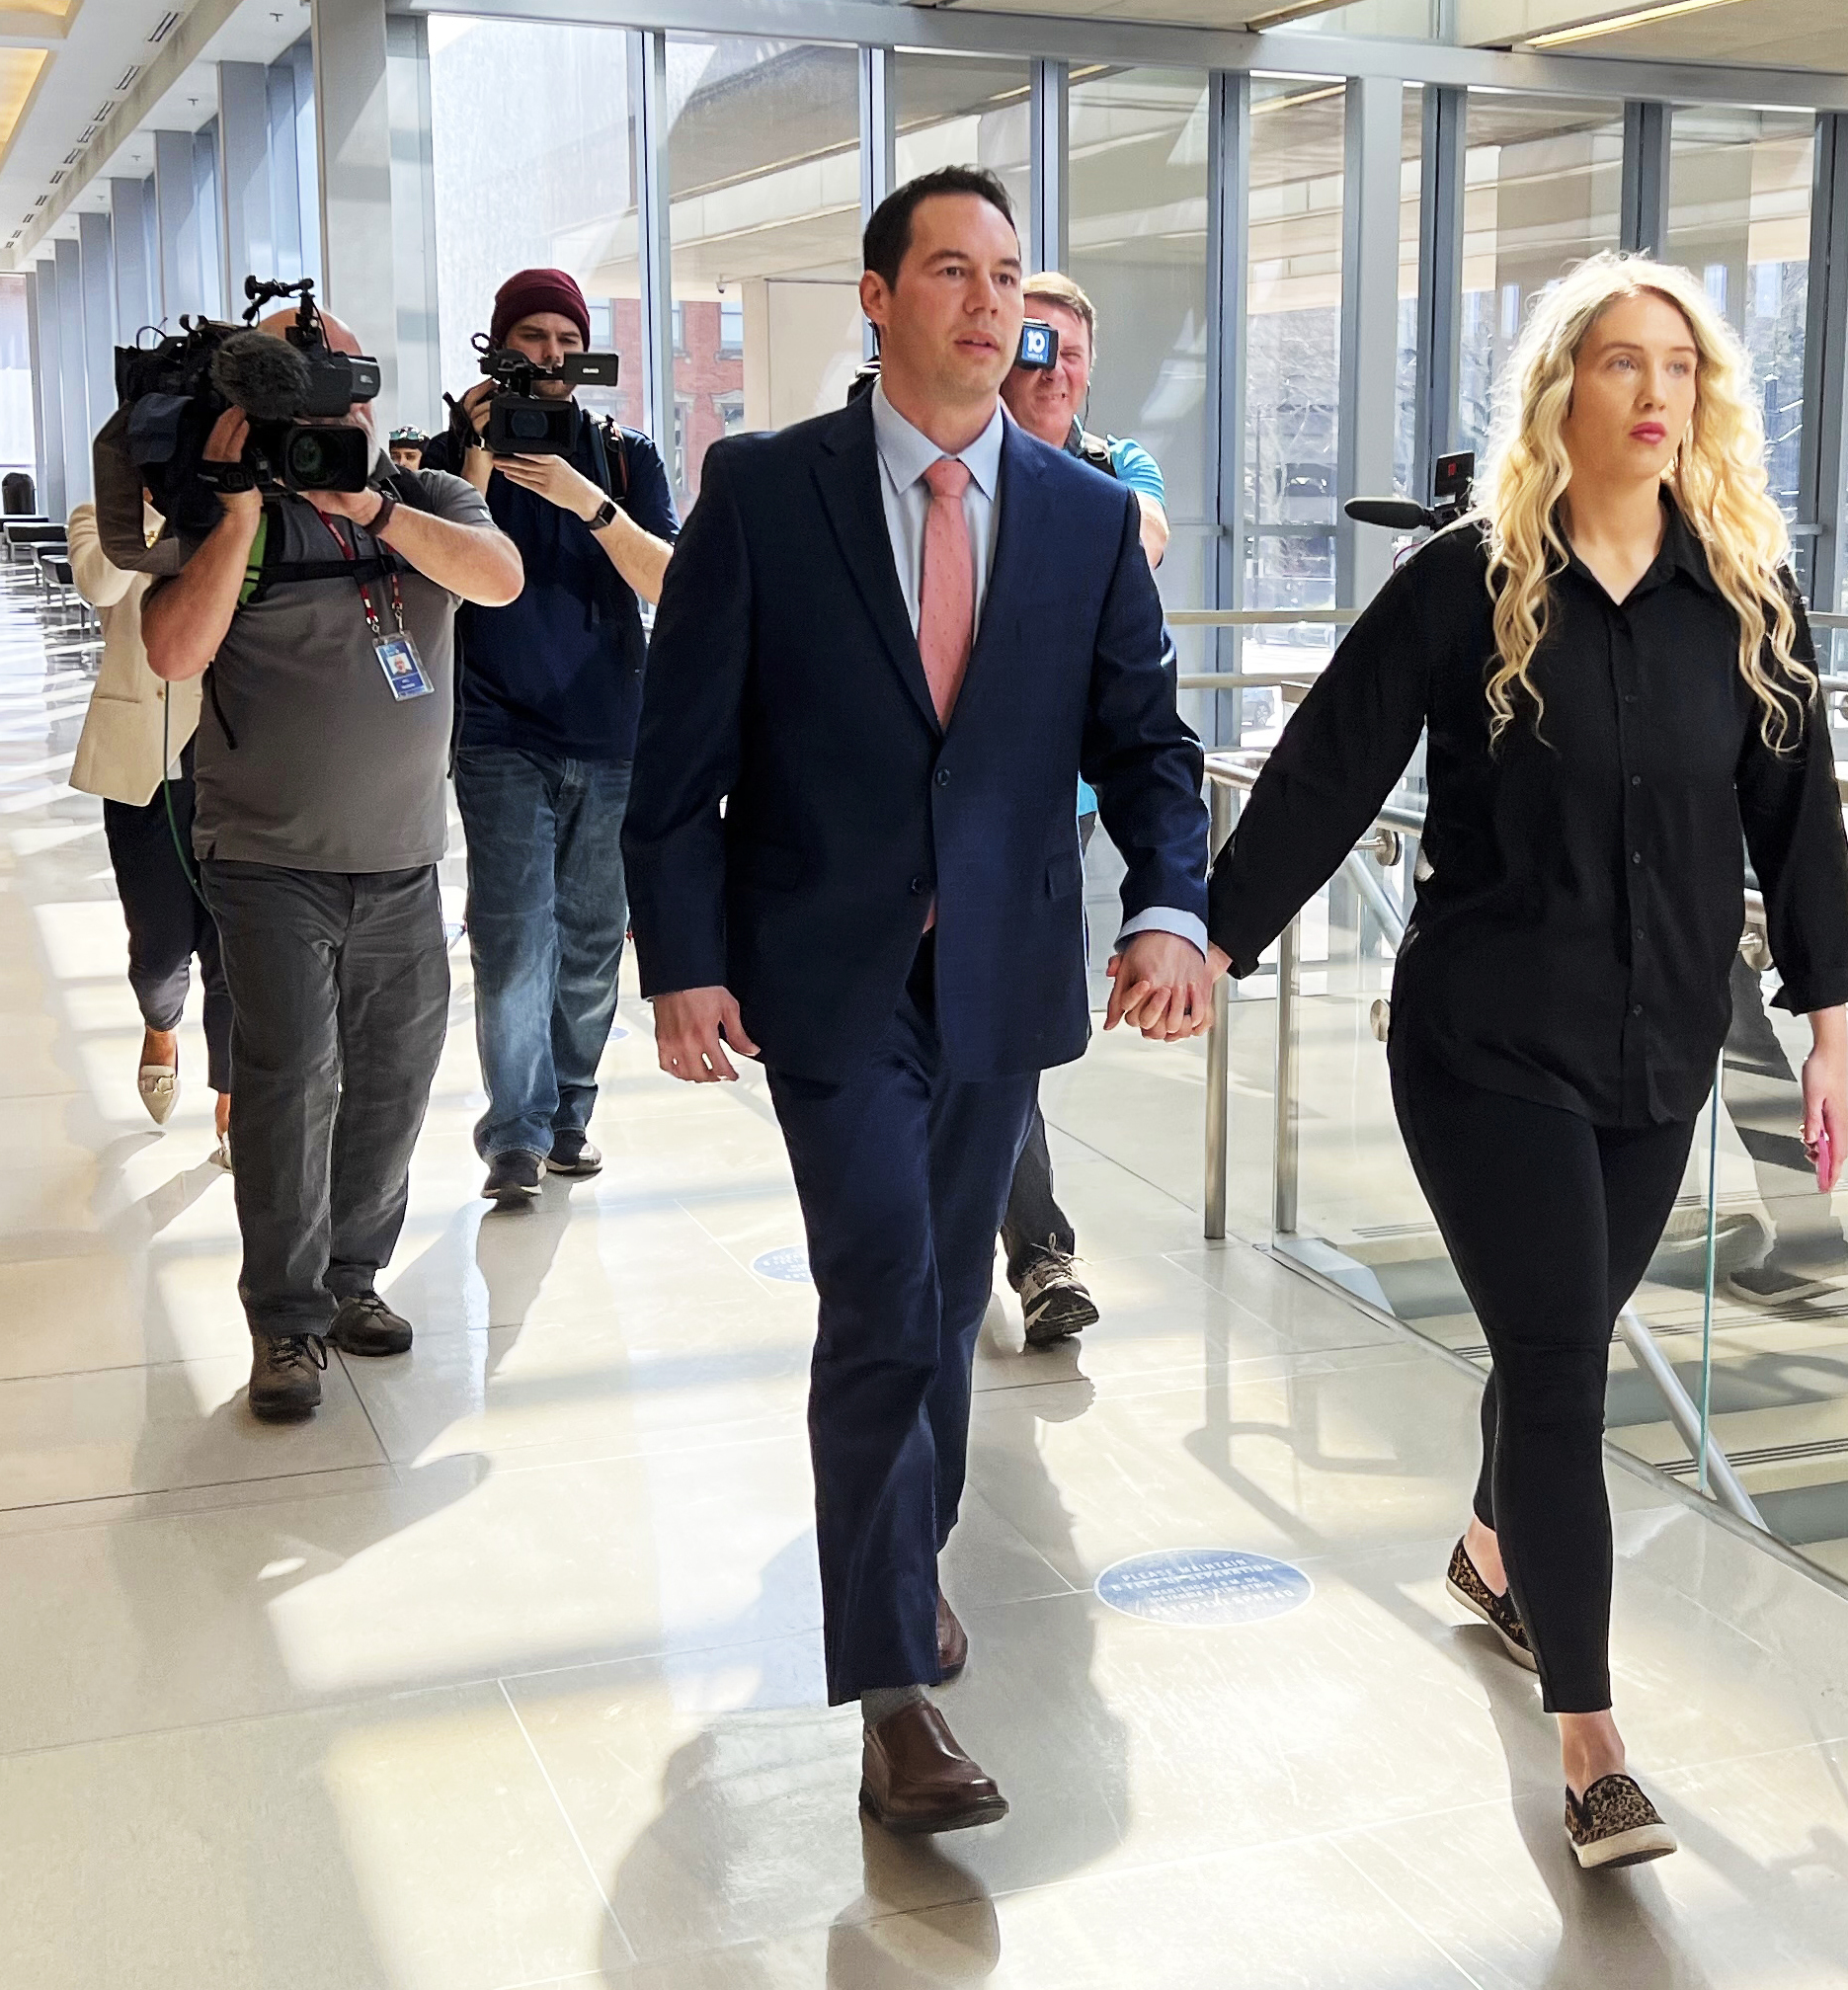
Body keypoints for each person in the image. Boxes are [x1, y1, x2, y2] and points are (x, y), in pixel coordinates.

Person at [1205, 252, 1848, 1870]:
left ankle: (1498, 1546)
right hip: (1486, 1043)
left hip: (1660, 1055)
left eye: (1681, 369)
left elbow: (1798, 821)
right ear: (1559, 395)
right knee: (1566, 1365)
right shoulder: (1466, 581)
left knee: (1552, 1338)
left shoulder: (1743, 595)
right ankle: (1590, 1737)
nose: (1656, 393)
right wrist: (1201, 934)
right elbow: (1323, 773)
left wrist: (1827, 1020)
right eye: (1621, 364)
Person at [625, 165, 1211, 1836]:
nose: (985, 300)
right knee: (884, 1292)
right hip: (823, 976)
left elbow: (1148, 750)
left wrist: (1171, 904)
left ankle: (902, 1558)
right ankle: (892, 1694)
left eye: (1006, 273)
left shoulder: (1087, 518)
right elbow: (680, 767)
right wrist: (681, 959)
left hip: (1000, 983)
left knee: (943, 1305)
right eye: (947, 269)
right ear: (877, 298)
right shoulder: (761, 493)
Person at [141, 307, 524, 1424]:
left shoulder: (425, 498)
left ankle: (355, 1277)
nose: (330, 415)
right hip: (267, 861)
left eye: (343, 390)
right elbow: (173, 650)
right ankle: (287, 1320)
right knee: (287, 1082)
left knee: (396, 1082)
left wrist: (371, 502)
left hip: (404, 859)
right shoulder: (228, 512)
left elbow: (497, 577)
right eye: (299, 398)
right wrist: (243, 509)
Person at [420, 269, 678, 1204]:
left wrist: (587, 500)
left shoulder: (622, 454)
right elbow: (439, 577)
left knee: (589, 942)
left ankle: (572, 1109)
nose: (552, 356)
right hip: (496, 730)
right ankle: (515, 1136)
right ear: (497, 347)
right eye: (531, 337)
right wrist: (479, 452)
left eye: (568, 341)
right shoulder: (456, 446)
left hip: (612, 731)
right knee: (511, 936)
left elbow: (669, 585)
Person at [989, 269, 1171, 1347]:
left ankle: (1000, 1224)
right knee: (995, 1026)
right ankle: (1038, 1247)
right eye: (1031, 344)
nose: (1052, 366)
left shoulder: (1112, 471)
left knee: (1006, 1029)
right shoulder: (954, 470)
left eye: (1068, 348)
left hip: (1071, 799)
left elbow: (1141, 536)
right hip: (963, 791)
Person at [68, 498, 234, 1162]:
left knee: (234, 947)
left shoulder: (233, 514)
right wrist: (146, 509)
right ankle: (160, 1021)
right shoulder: (99, 517)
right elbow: (99, 584)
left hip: (234, 759)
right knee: (160, 947)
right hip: (144, 767)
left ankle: (234, 1092)